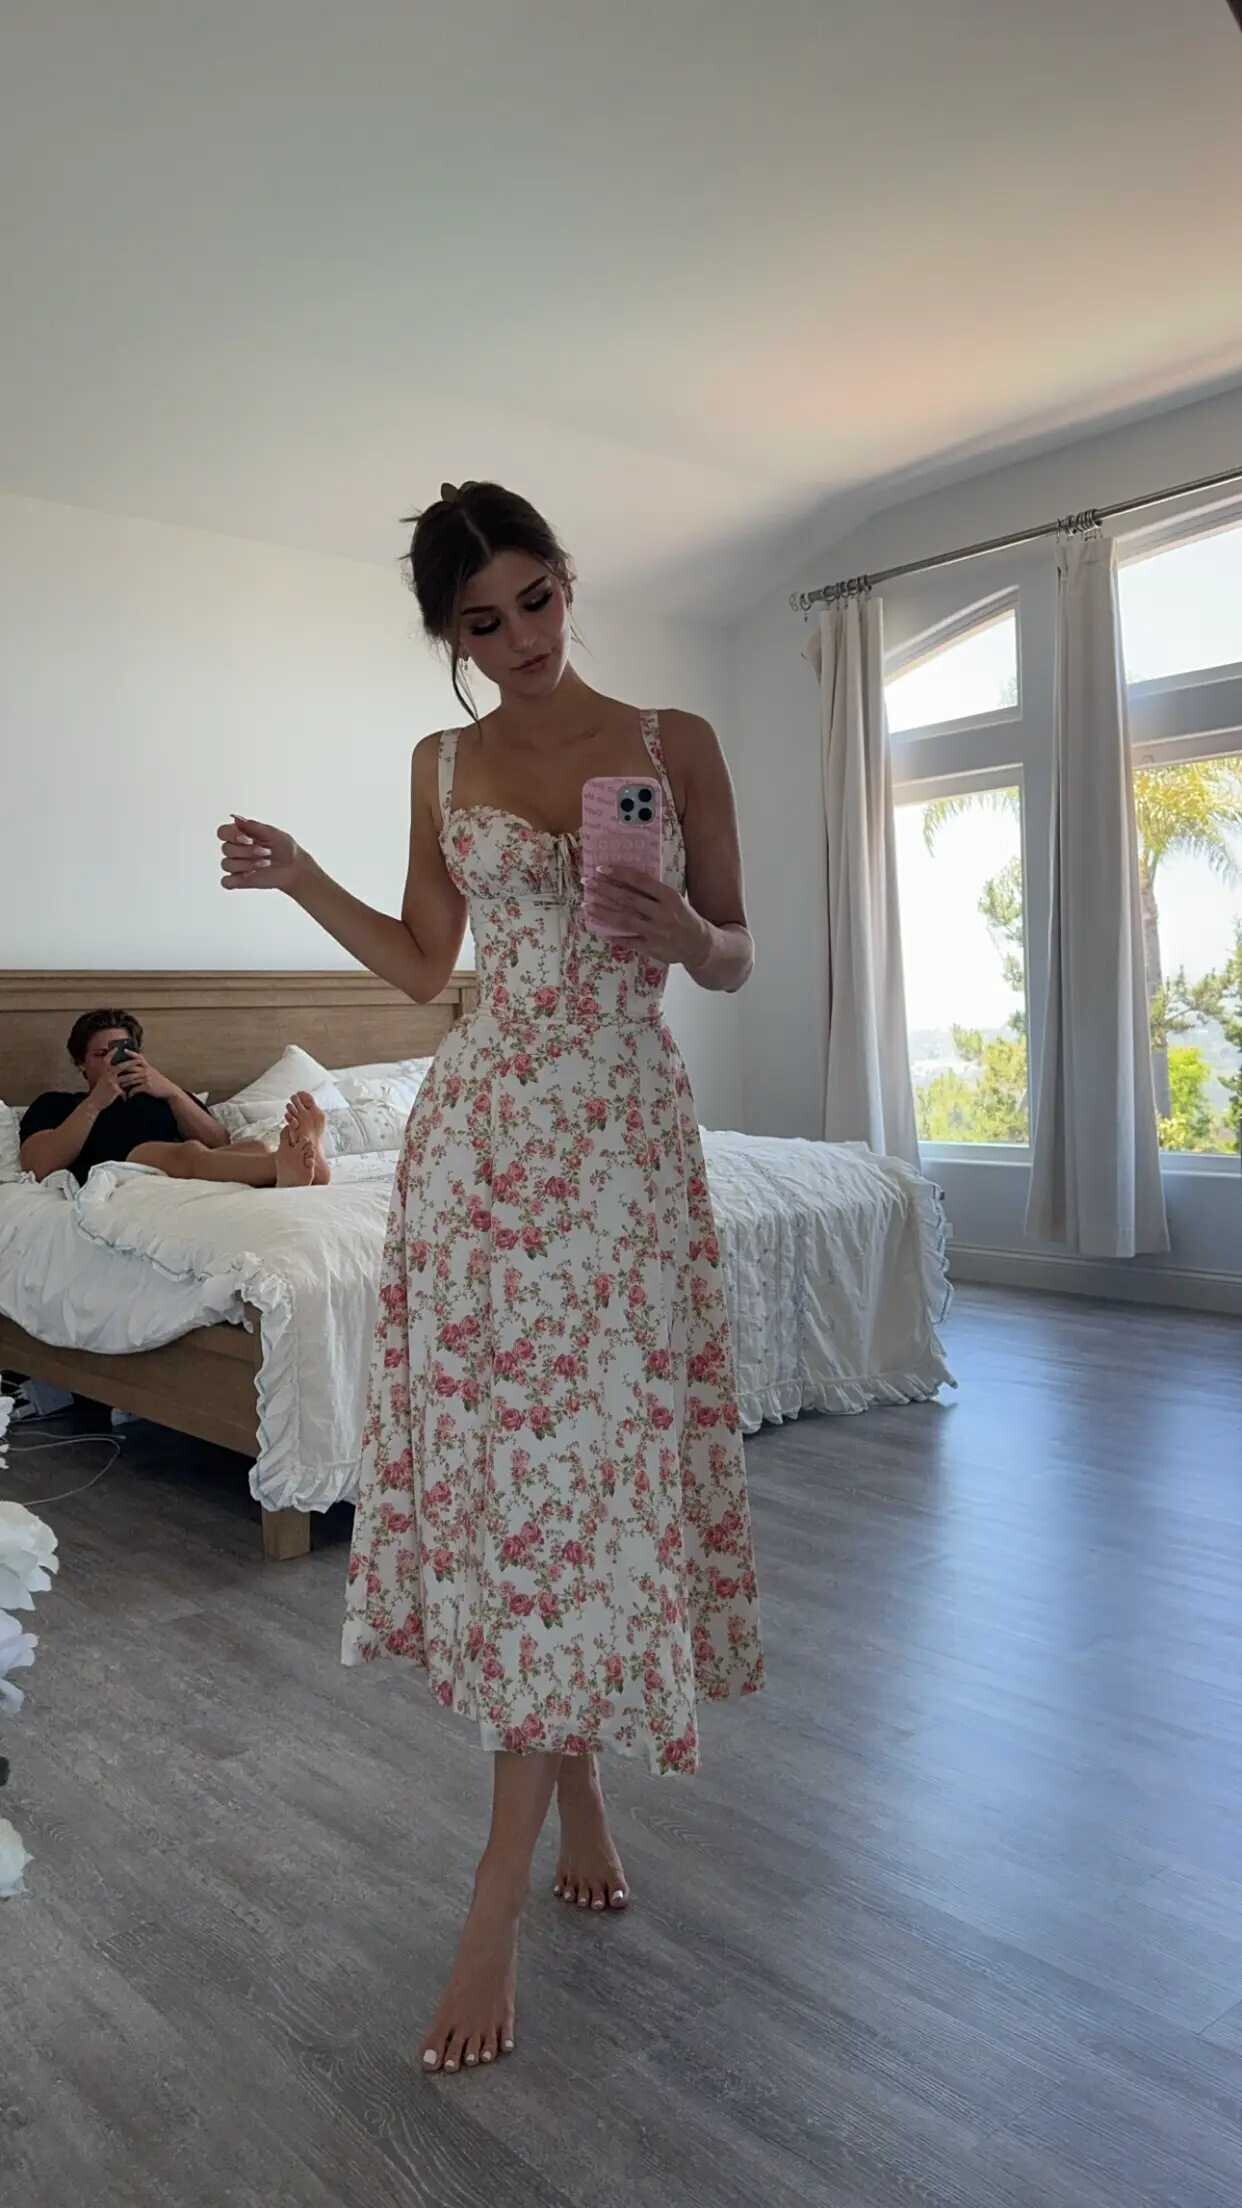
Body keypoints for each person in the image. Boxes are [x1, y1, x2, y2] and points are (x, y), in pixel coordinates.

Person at [217, 480, 763, 2077]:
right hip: (477, 1147)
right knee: (523, 1481)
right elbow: (418, 965)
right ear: (448, 640)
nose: (520, 639)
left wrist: (678, 928)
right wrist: (298, 874)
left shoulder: (673, 741)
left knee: (590, 1472)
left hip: (620, 1140)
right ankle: (564, 1798)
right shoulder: (440, 765)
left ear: (566, 582)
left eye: (536, 599)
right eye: (482, 623)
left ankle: (492, 1895)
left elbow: (737, 952)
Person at [19, 1008, 332, 1189]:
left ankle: (297, 1165)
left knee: (254, 1147)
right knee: (186, 1153)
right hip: (127, 1166)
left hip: (196, 1162)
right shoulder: (58, 1103)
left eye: (123, 1051)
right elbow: (39, 1165)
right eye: (101, 1054)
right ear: (81, 1064)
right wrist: (95, 1103)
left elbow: (219, 1142)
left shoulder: (163, 1094)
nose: (113, 1061)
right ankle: (284, 1168)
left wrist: (170, 1090)